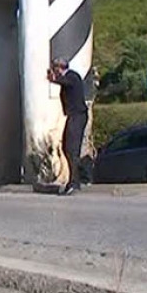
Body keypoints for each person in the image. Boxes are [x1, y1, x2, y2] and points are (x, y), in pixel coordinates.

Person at [47, 57, 89, 196]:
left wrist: (53, 79)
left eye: (55, 69)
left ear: (59, 67)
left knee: (72, 149)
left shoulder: (72, 76)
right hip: (73, 116)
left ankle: (76, 181)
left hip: (78, 115)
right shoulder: (69, 77)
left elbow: (65, 82)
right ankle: (78, 176)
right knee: (67, 147)